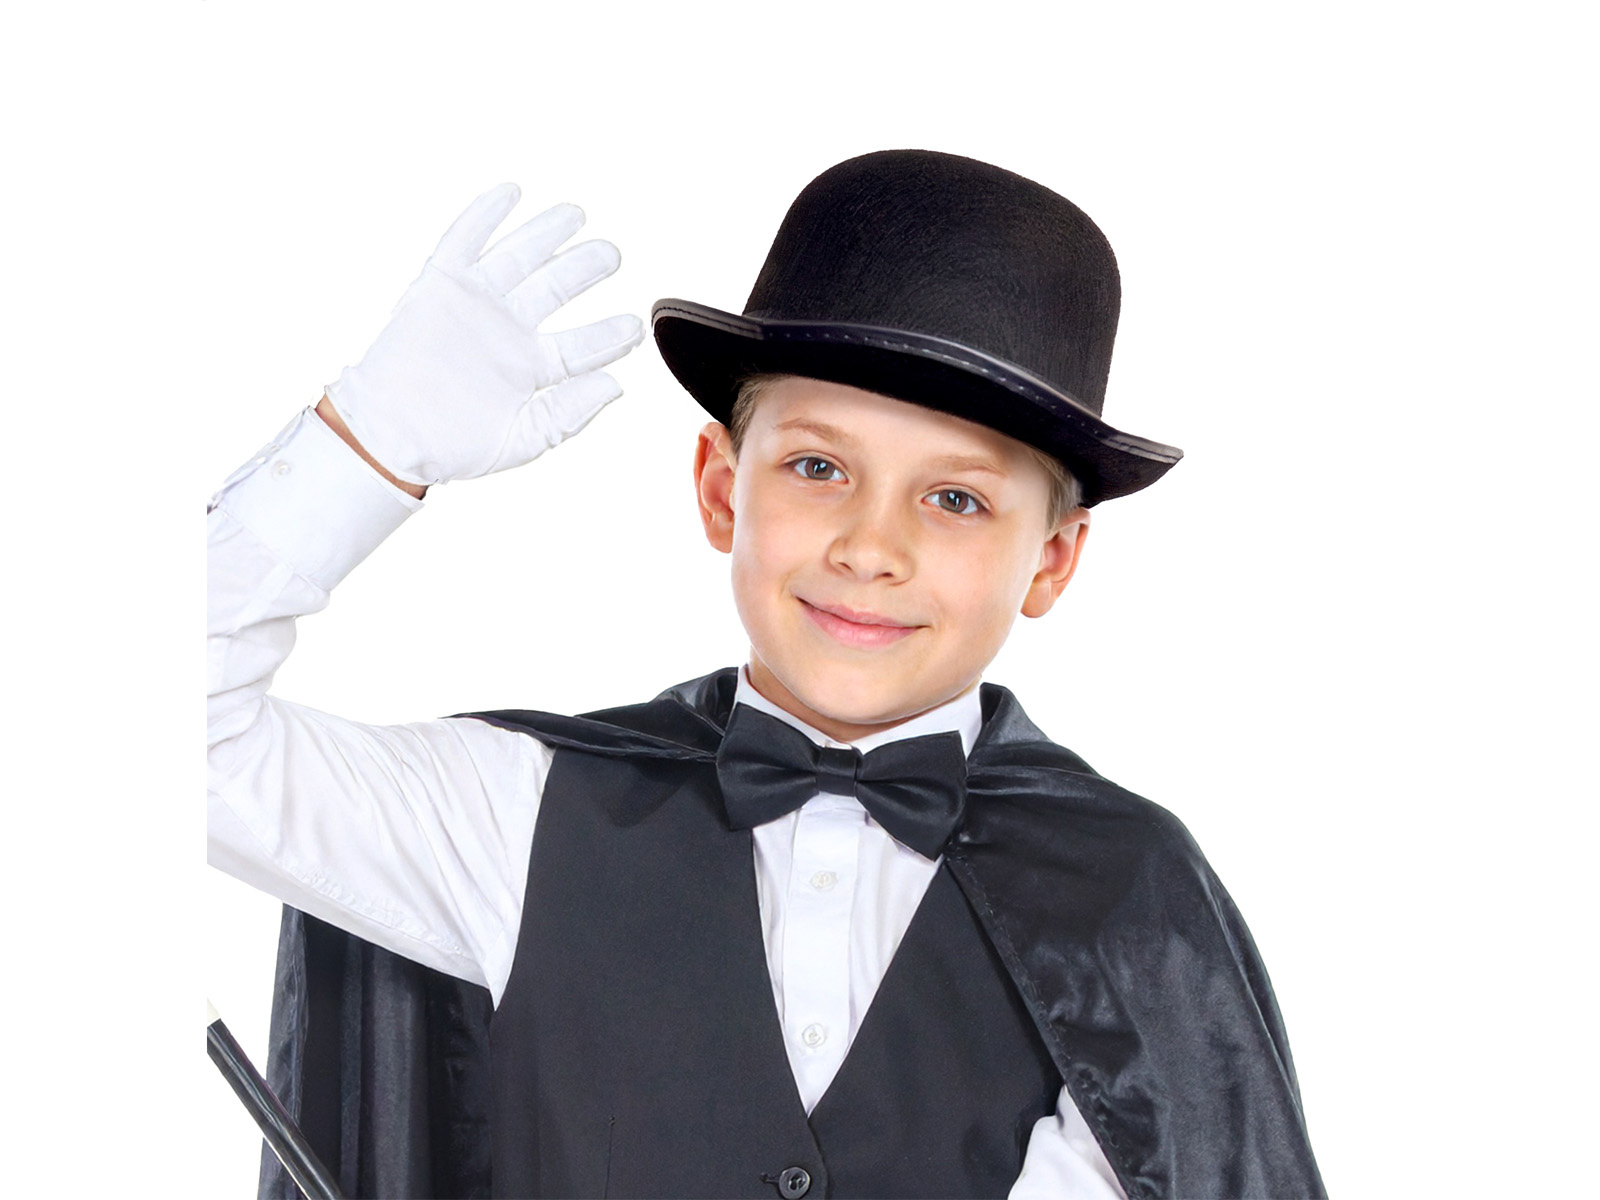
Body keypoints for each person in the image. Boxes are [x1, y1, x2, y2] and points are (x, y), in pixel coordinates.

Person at [208, 150, 1324, 1199]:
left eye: (956, 499)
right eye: (817, 466)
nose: (870, 548)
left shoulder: (1128, 897)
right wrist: (365, 444)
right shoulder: (515, 810)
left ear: (1052, 560)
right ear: (718, 489)